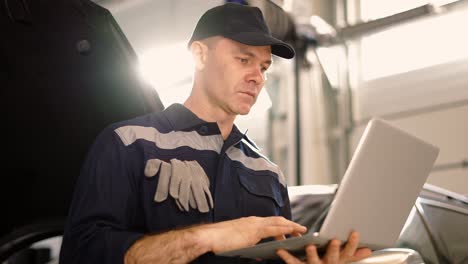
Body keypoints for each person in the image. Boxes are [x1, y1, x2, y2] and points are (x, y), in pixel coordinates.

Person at [59, 3, 372, 264]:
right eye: (243, 59)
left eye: (263, 67)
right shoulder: (129, 143)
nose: (257, 77)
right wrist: (206, 238)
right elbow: (83, 253)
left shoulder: (268, 174)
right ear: (199, 54)